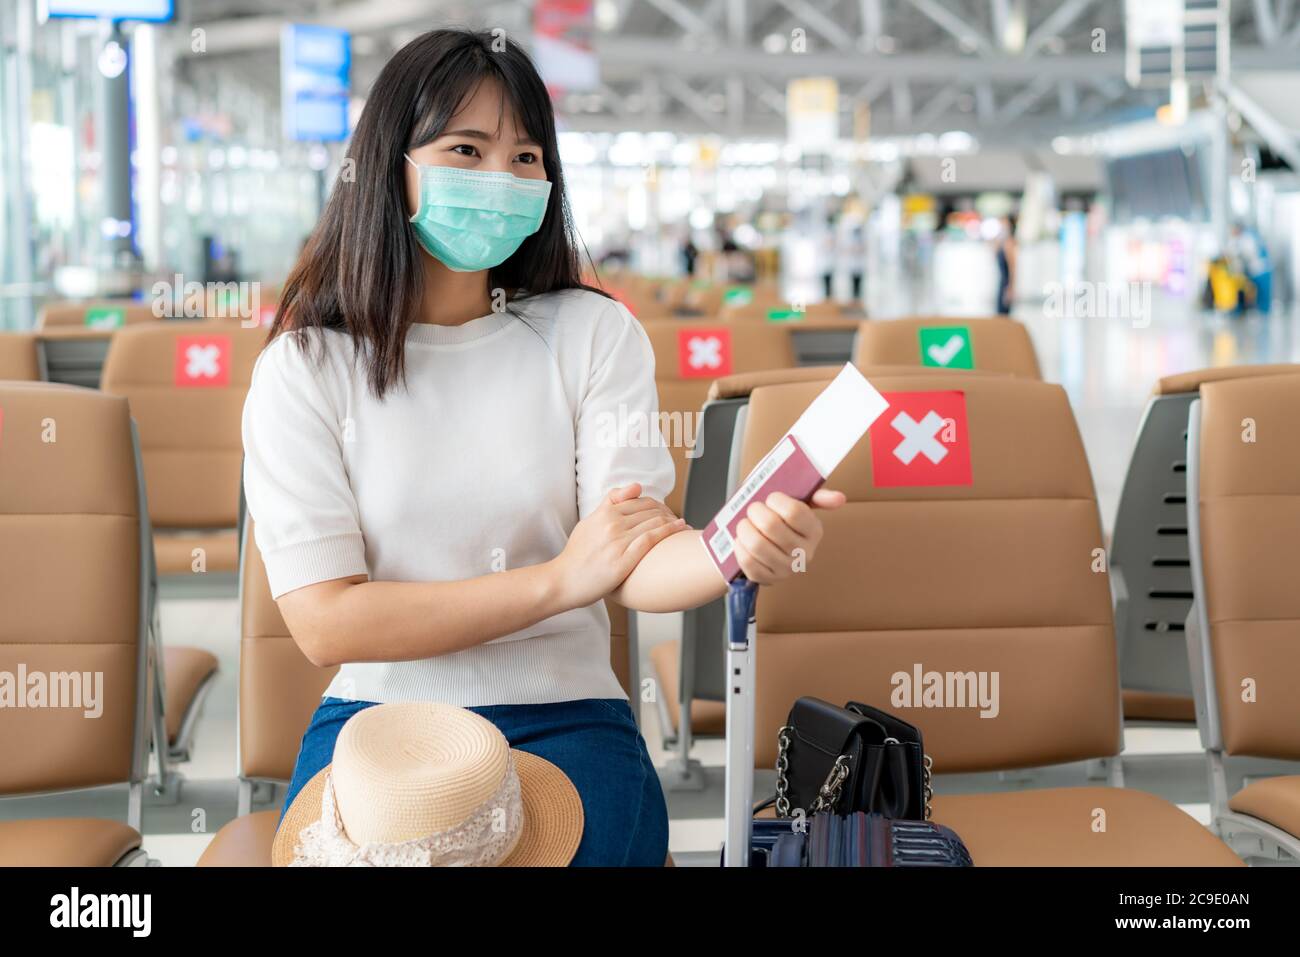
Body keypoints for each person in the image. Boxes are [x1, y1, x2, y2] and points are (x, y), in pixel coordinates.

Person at [242, 29, 844, 867]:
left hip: (566, 713)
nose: (503, 178)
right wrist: (558, 580)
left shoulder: (592, 334)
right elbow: (325, 621)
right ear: (390, 164)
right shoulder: (305, 370)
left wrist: (732, 547)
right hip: (383, 725)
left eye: (527, 157)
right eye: (466, 148)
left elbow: (633, 559)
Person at [995, 214, 1017, 316]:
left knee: (1004, 314)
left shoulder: (1009, 243)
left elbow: (1013, 268)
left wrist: (1010, 288)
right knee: (999, 313)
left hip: (1006, 284)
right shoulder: (1001, 242)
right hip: (1001, 283)